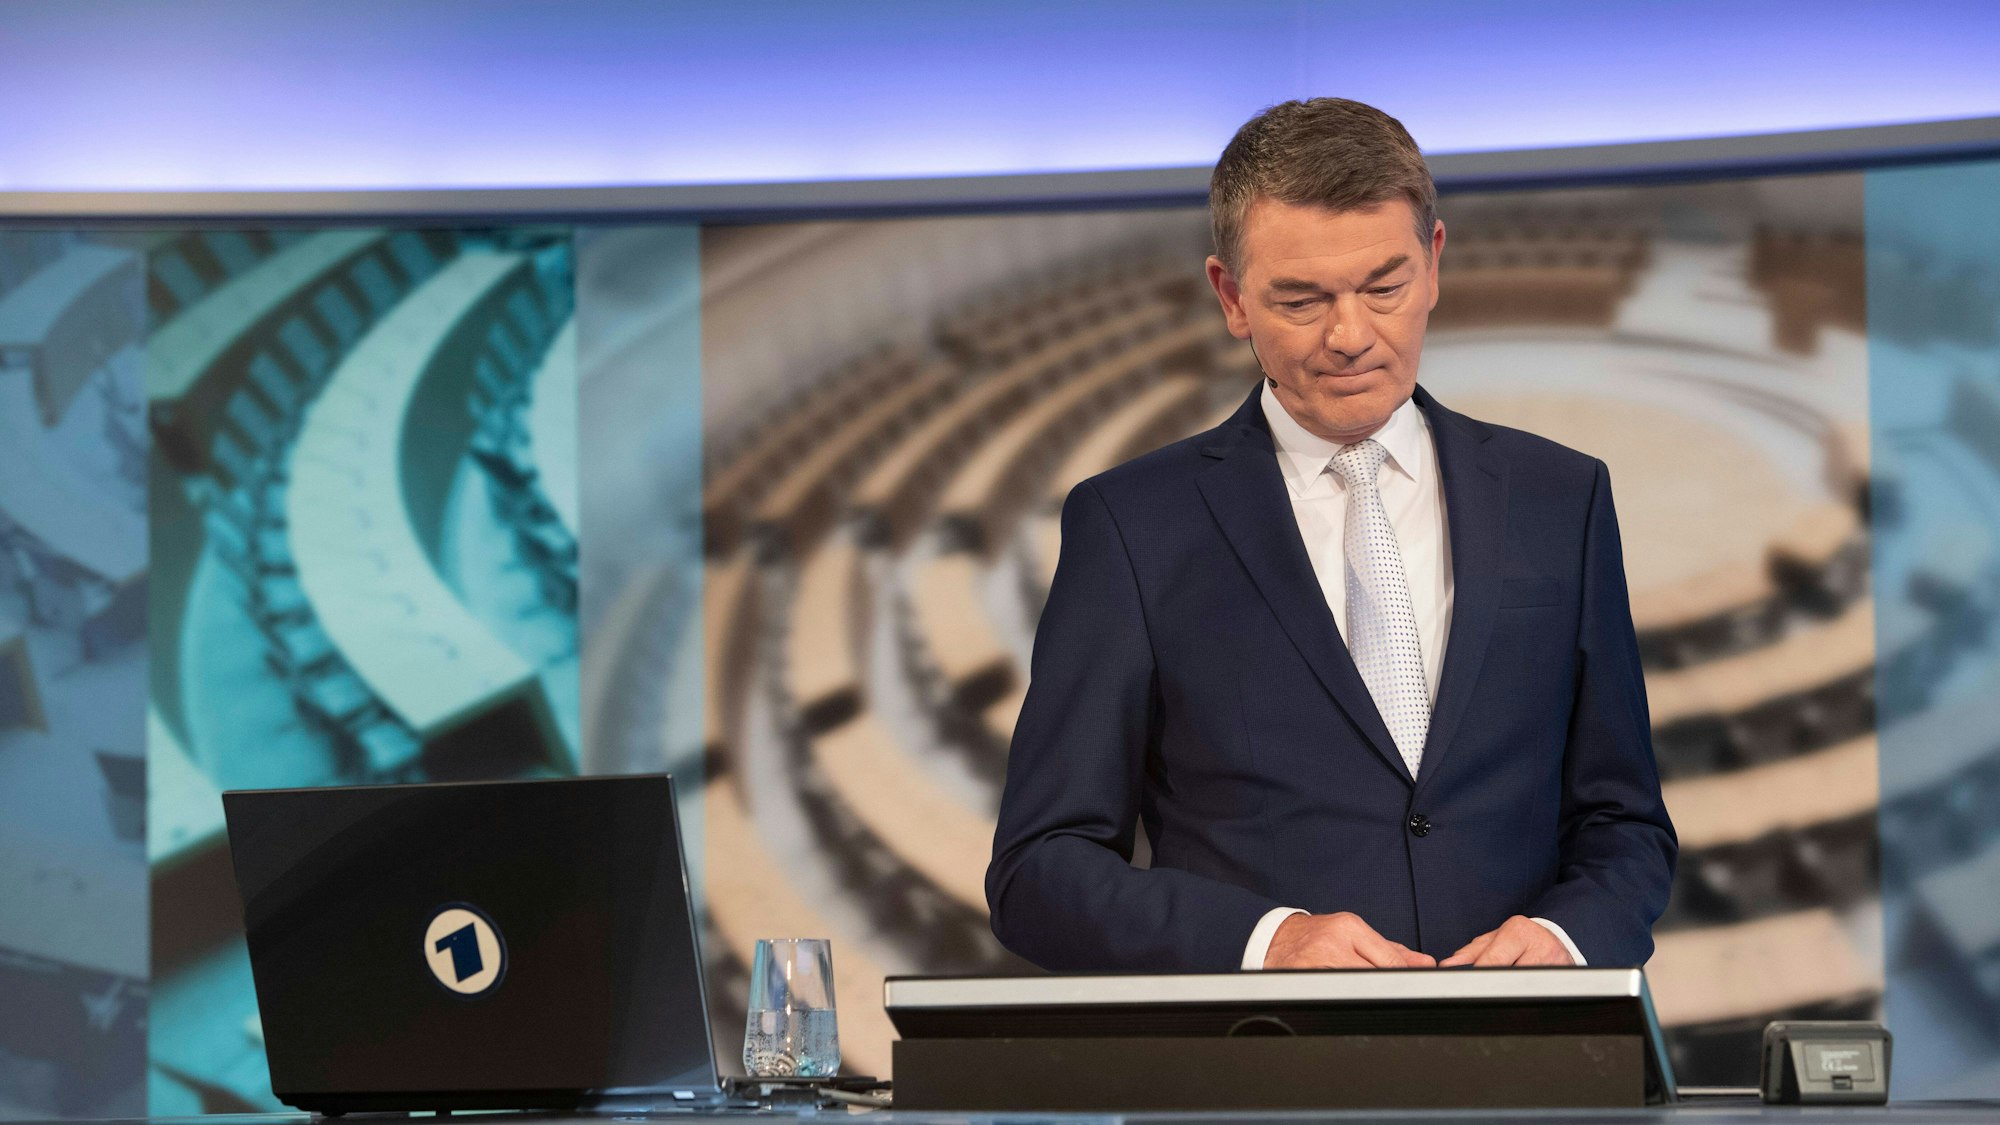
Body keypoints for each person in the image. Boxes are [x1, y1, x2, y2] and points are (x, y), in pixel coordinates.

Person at [985, 98, 1677, 972]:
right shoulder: (1132, 524)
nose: (1350, 336)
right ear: (1231, 297)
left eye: (1383, 287)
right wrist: (1266, 940)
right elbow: (1039, 871)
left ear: (1433, 263)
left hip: (1527, 1068)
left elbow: (1624, 823)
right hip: (1259, 1077)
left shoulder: (1562, 496)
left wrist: (1568, 937)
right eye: (1302, 299)